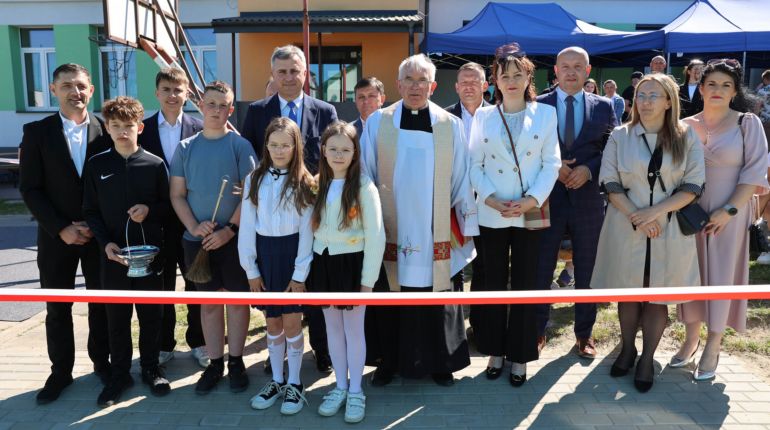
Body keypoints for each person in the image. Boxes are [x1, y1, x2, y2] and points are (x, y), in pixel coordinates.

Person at [360, 54, 479, 387]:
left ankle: (441, 361)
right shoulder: (378, 122)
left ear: (433, 85)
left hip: (434, 226)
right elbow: (366, 172)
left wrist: (457, 223)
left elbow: (460, 178)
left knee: (436, 292)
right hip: (391, 225)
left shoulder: (448, 125)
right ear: (398, 85)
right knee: (390, 294)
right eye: (408, 80)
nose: (415, 86)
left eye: (421, 80)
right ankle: (388, 361)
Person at [592, 73, 705, 393]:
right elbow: (609, 181)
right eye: (641, 95)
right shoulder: (620, 135)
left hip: (667, 228)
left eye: (654, 95)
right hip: (625, 226)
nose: (645, 101)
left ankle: (647, 359)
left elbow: (694, 185)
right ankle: (627, 348)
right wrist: (637, 217)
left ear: (670, 101)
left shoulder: (687, 136)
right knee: (629, 292)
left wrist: (655, 213)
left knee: (658, 296)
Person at [240, 44, 337, 372]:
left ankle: (321, 351)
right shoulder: (256, 112)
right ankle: (277, 358)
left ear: (305, 73)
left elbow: (333, 158)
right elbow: (254, 159)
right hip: (274, 220)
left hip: (315, 214)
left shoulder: (325, 111)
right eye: (282, 71)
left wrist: (313, 188)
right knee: (279, 297)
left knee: (315, 288)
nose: (289, 77)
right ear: (273, 74)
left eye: (295, 70)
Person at [468, 43, 560, 387]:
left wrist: (531, 199)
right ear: (495, 80)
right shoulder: (483, 116)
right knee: (492, 283)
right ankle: (494, 350)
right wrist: (489, 198)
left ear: (527, 77)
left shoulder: (546, 114)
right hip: (492, 214)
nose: (510, 81)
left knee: (525, 284)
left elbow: (551, 163)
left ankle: (520, 355)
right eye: (504, 75)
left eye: (517, 74)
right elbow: (473, 164)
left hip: (529, 213)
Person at [19, 63, 111, 405]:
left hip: (99, 236)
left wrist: (95, 226)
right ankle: (60, 372)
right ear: (54, 89)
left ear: (91, 91)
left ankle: (102, 364)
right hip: (56, 236)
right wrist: (61, 228)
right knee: (58, 306)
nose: (76, 92)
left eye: (82, 86)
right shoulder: (37, 132)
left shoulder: (106, 129)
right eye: (67, 85)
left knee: (102, 302)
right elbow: (29, 188)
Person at [675, 59, 769, 381]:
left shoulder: (748, 123)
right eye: (711, 84)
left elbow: (755, 171)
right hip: (689, 213)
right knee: (691, 275)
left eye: (725, 85)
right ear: (700, 88)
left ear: (734, 92)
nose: (717, 90)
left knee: (721, 277)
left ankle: (713, 344)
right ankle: (690, 338)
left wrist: (728, 211)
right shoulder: (684, 124)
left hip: (730, 214)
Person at [82, 96, 172, 406]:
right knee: (116, 318)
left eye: (129, 126)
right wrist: (103, 242)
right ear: (106, 128)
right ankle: (119, 373)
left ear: (140, 127)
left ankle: (150, 367)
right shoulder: (97, 165)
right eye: (116, 126)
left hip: (150, 257)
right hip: (113, 257)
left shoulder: (155, 164)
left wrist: (149, 210)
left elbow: (169, 207)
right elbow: (90, 210)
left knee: (151, 316)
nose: (123, 132)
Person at [169, 80, 256, 395]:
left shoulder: (240, 146)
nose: (217, 109)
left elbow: (250, 194)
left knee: (235, 302)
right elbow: (178, 195)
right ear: (200, 105)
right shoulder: (185, 147)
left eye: (223, 105)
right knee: (208, 304)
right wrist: (193, 226)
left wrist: (229, 230)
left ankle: (236, 361)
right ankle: (215, 363)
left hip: (233, 240)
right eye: (211, 103)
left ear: (230, 110)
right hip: (198, 242)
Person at [535, 47, 618, 359]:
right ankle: (537, 330)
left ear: (588, 71)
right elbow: (530, 148)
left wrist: (589, 169)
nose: (571, 72)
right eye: (565, 67)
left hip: (587, 200)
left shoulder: (605, 107)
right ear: (555, 71)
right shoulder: (538, 106)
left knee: (587, 270)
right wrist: (554, 167)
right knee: (541, 267)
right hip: (547, 198)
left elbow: (612, 148)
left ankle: (584, 334)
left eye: (577, 66)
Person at [311, 122, 385, 423]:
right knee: (332, 329)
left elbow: (376, 235)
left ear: (355, 153)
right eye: (333, 149)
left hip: (352, 266)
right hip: (324, 264)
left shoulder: (364, 187)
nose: (338, 154)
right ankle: (339, 386)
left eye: (345, 149)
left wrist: (367, 283)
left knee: (354, 330)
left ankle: (356, 390)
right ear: (324, 152)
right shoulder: (317, 185)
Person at [240, 117, 315, 415]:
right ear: (266, 146)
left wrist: (300, 274)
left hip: (292, 254)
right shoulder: (253, 179)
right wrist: (251, 269)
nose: (280, 150)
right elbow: (247, 226)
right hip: (265, 254)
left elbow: (308, 231)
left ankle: (295, 383)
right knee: (272, 322)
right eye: (274, 145)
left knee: (292, 321)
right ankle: (276, 379)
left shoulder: (306, 181)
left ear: (296, 146)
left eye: (286, 144)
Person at [138, 67, 208, 369]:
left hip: (190, 219)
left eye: (178, 90)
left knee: (196, 282)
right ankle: (164, 344)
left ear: (187, 94)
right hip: (153, 222)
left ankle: (200, 341)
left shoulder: (200, 128)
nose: (172, 95)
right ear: (157, 93)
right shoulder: (142, 129)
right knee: (160, 286)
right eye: (166, 89)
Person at [445, 62, 492, 292]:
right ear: (456, 87)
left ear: (485, 85)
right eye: (464, 82)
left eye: (474, 82)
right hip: (453, 200)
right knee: (454, 261)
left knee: (485, 264)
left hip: (489, 200)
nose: (469, 87)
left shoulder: (499, 115)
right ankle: (454, 319)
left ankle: (481, 324)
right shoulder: (442, 118)